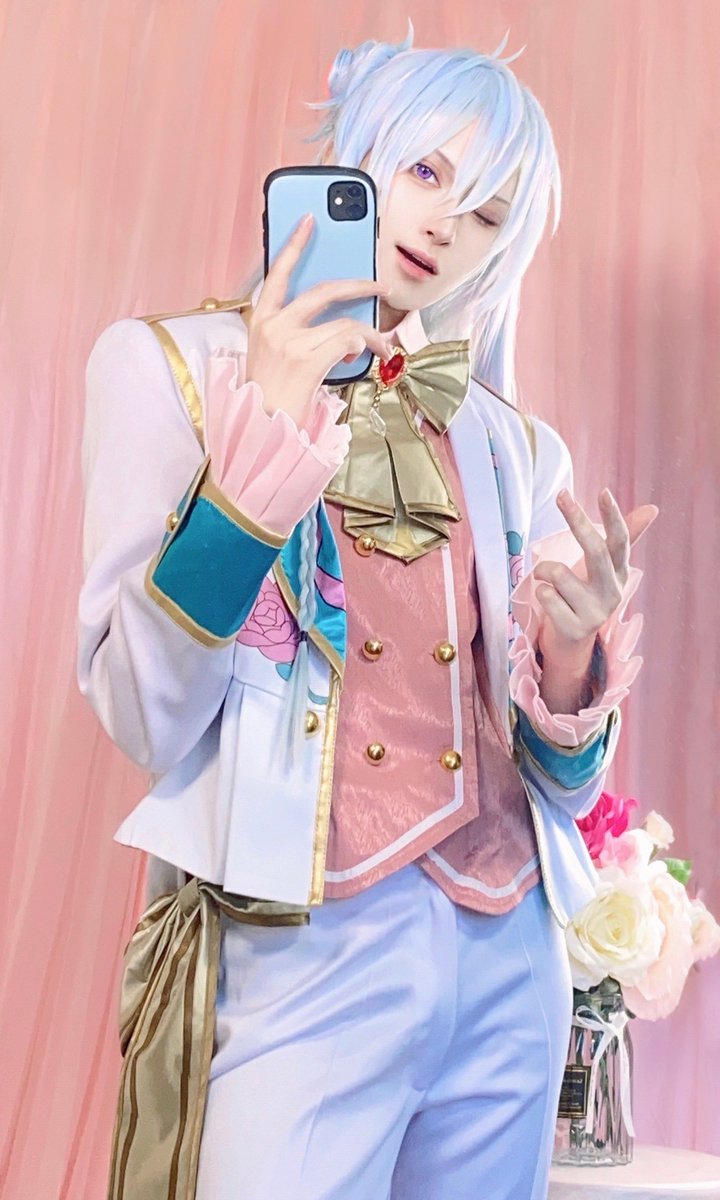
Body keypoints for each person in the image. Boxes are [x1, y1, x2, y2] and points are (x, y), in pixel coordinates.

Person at [77, 25, 658, 1200]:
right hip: (304, 947)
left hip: (510, 958)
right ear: (355, 153)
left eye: (487, 213)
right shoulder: (169, 371)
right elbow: (145, 716)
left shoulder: (514, 445)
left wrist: (568, 653)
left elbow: (561, 787)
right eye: (426, 171)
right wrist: (258, 449)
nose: (446, 225)